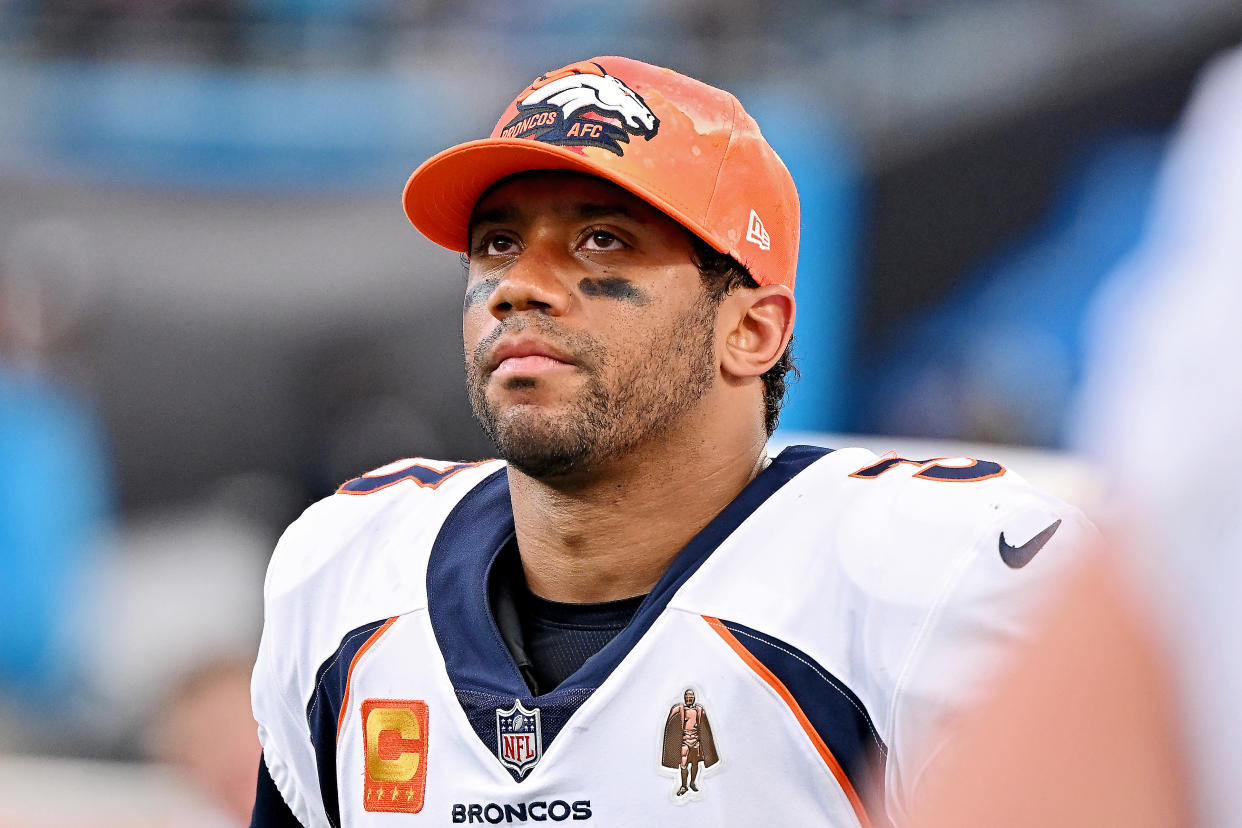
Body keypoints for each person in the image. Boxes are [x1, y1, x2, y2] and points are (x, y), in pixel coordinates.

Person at [249, 56, 1093, 827]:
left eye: (601, 239)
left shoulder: (927, 581)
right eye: (497, 243)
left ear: (752, 330)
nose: (518, 287)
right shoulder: (350, 577)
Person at [661, 689, 719, 797]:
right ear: (684, 698)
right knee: (684, 763)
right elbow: (670, 722)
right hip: (684, 741)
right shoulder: (678, 709)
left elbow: (705, 728)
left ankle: (692, 782)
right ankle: (684, 786)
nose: (689, 699)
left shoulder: (699, 710)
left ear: (694, 698)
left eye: (691, 697)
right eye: (687, 697)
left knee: (695, 763)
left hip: (696, 741)